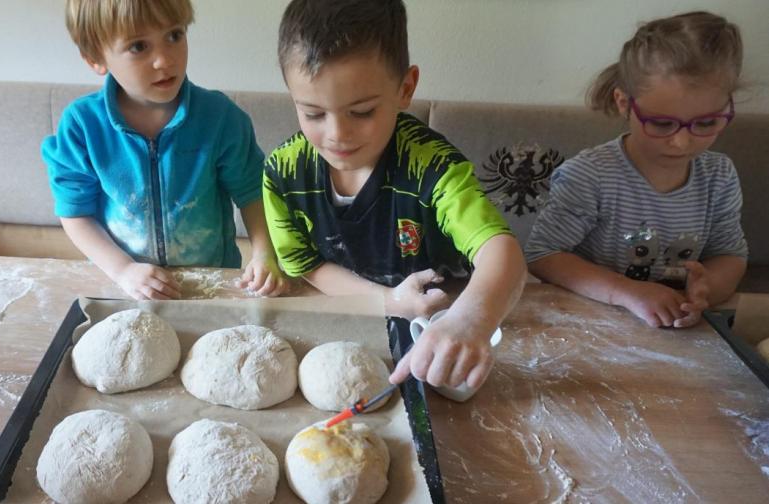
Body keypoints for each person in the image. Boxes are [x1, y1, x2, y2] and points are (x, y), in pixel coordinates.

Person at [266, 0, 526, 390]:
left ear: (405, 89)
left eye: (362, 111)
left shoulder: (432, 168)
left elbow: (501, 252)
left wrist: (472, 319)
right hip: (347, 314)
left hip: (439, 321)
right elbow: (306, 264)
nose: (337, 134)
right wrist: (387, 301)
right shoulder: (283, 174)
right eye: (314, 114)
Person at [43, 0, 285, 300]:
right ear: (95, 57)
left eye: (174, 36)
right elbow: (75, 214)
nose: (164, 60)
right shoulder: (82, 126)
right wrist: (123, 271)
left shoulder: (220, 118)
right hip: (125, 284)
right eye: (139, 47)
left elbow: (253, 194)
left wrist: (264, 254)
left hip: (211, 281)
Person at [526, 11, 747, 329]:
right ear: (624, 103)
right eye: (661, 123)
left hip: (672, 331)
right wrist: (627, 292)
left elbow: (730, 255)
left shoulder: (719, 176)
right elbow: (544, 255)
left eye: (707, 123)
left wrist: (706, 289)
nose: (681, 142)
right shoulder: (590, 175)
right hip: (588, 323)